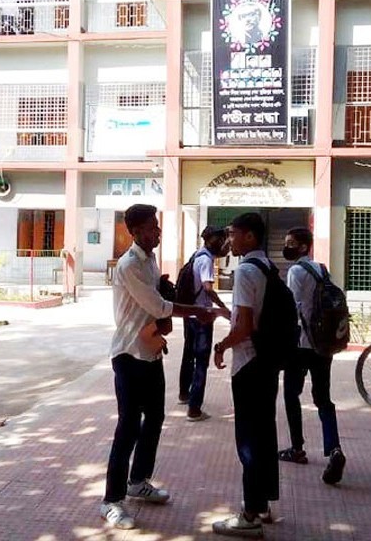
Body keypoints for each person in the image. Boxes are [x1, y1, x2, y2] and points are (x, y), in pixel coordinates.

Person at [101, 204, 227, 530]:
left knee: (154, 419)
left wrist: (166, 292)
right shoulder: (129, 265)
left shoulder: (150, 259)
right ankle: (111, 501)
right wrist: (196, 311)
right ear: (134, 231)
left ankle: (138, 481)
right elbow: (158, 306)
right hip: (129, 355)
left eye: (156, 225)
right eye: (150, 227)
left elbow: (157, 300)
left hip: (151, 352)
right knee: (128, 426)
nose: (156, 231)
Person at [211, 212, 280, 538]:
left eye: (233, 234)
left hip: (250, 363)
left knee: (249, 440)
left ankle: (250, 515)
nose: (229, 240)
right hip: (267, 362)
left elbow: (243, 327)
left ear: (249, 237)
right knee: (265, 435)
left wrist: (221, 346)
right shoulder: (268, 267)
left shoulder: (246, 272)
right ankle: (263, 504)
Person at [278, 227, 347, 485]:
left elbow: (293, 308)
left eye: (291, 243)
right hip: (323, 345)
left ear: (304, 247)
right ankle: (334, 448)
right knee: (323, 399)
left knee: (291, 394)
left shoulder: (296, 271)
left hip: (300, 345)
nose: (287, 247)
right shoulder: (322, 269)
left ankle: (297, 448)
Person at [178, 226, 231, 422]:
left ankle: (184, 394)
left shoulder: (195, 255)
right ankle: (194, 409)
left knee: (188, 354)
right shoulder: (206, 260)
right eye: (223, 240)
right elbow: (208, 289)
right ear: (213, 240)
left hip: (189, 313)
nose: (226, 245)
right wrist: (223, 308)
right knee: (201, 361)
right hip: (202, 317)